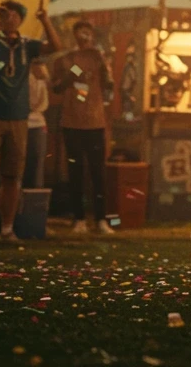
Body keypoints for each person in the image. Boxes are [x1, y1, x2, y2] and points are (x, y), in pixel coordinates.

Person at [0, 0, 61, 242]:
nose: (9, 18)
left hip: (19, 118)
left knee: (12, 176)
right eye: (4, 14)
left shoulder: (27, 45)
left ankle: (7, 228)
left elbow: (55, 46)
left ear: (21, 19)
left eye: (14, 15)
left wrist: (44, 20)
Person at [52, 21, 114, 234]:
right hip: (72, 122)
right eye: (81, 32)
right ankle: (78, 218)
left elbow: (109, 84)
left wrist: (102, 63)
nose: (84, 36)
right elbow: (58, 86)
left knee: (98, 172)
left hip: (95, 122)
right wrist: (75, 68)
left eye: (88, 32)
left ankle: (101, 219)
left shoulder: (98, 57)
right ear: (75, 35)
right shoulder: (66, 58)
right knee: (75, 171)